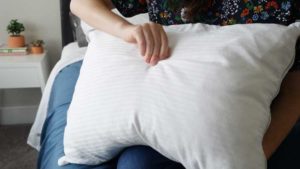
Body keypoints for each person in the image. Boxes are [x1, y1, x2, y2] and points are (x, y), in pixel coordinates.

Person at [38, 0, 300, 168]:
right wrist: (126, 30)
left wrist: (257, 151)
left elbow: (295, 90)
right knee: (135, 163)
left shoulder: (282, 5)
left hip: (251, 112)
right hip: (168, 108)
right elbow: (81, 3)